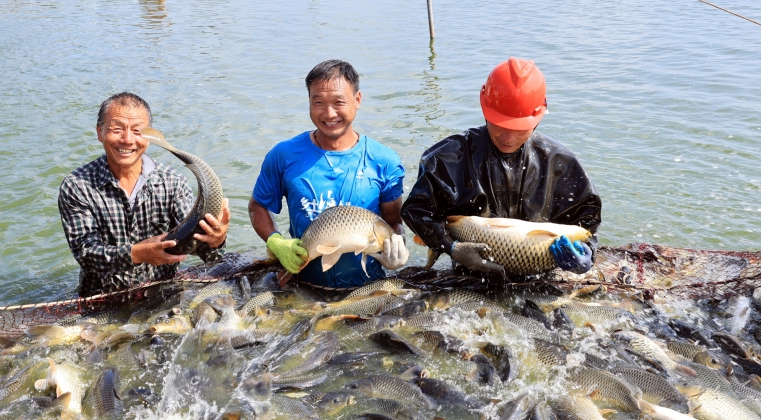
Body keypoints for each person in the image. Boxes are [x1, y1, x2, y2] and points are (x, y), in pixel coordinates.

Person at [401, 57, 601, 278]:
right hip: (470, 273)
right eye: (500, 124)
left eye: (520, 128)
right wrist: (452, 248)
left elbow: (587, 226)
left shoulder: (561, 163)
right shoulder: (447, 158)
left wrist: (586, 256)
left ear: (538, 117)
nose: (508, 138)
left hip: (538, 275)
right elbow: (417, 211)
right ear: (484, 108)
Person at [248, 60, 409, 289]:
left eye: (338, 102)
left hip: (368, 287)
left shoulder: (385, 161)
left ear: (357, 100)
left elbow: (393, 222)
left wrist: (396, 251)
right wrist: (276, 242)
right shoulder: (283, 155)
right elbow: (258, 206)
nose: (329, 113)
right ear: (309, 102)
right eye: (319, 102)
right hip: (303, 286)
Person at [59, 92, 229, 297]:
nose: (127, 140)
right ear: (100, 132)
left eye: (137, 131)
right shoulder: (77, 185)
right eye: (116, 129)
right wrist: (138, 254)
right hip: (101, 298)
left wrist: (215, 240)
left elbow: (204, 252)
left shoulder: (173, 182)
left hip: (162, 296)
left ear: (149, 138)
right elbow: (86, 254)